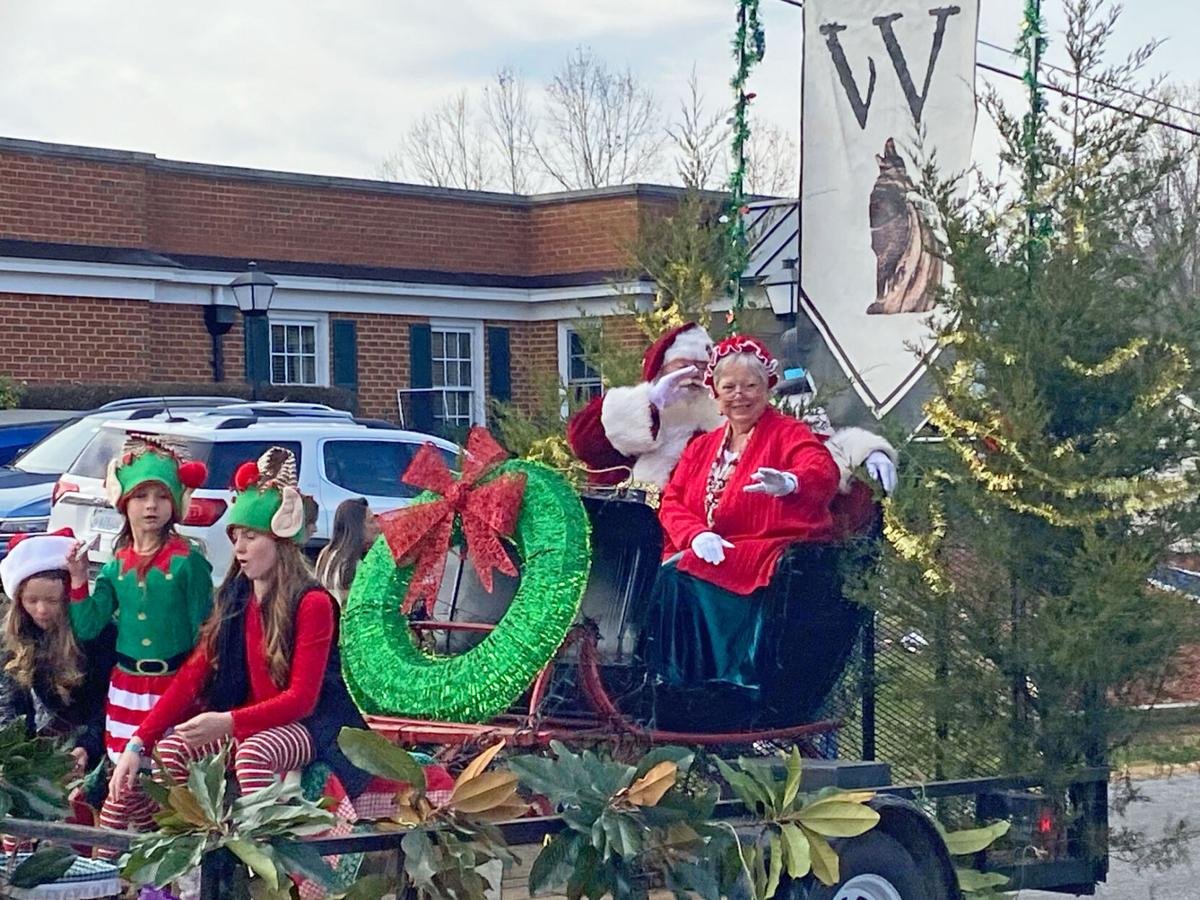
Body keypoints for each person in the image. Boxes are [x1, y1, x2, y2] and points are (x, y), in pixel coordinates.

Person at [108, 446, 375, 816]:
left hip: (309, 726)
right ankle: (183, 848)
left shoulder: (312, 602)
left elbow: (302, 699)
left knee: (253, 754)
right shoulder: (235, 597)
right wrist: (138, 742)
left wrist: (227, 722)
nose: (240, 548)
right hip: (244, 721)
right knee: (168, 751)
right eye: (236, 537)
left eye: (251, 537)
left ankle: (270, 854)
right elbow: (192, 675)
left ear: (279, 542)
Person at [638, 335, 844, 730]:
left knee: (677, 581)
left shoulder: (789, 434)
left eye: (750, 386)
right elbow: (674, 500)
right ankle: (666, 682)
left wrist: (790, 483)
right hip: (704, 549)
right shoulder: (703, 447)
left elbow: (822, 471)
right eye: (729, 387)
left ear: (767, 388)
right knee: (658, 576)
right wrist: (695, 533)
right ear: (716, 394)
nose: (739, 396)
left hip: (761, 551)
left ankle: (708, 684)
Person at [565, 323, 898, 513]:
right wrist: (649, 400)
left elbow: (805, 449)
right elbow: (584, 443)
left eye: (701, 368)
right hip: (638, 540)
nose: (693, 376)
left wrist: (864, 451)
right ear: (661, 369)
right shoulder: (640, 416)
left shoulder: (727, 419)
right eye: (683, 366)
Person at [66, 434, 213, 838]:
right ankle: (142, 862)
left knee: (165, 785)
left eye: (161, 496)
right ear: (124, 503)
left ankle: (143, 860)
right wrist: (79, 581)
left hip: (174, 687)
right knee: (128, 781)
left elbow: (207, 633)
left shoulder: (188, 563)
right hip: (127, 688)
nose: (151, 506)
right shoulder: (116, 567)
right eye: (141, 496)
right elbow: (88, 625)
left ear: (174, 505)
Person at [0, 529, 115, 773]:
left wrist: (88, 746)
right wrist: (16, 751)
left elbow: (107, 701)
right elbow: (12, 706)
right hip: (43, 745)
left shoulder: (99, 637)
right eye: (32, 601)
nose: (41, 610)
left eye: (52, 601)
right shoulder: (13, 641)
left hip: (98, 741)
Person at [315, 497, 380, 605]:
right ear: (357, 528)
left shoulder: (326, 553)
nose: (377, 526)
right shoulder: (353, 564)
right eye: (371, 521)